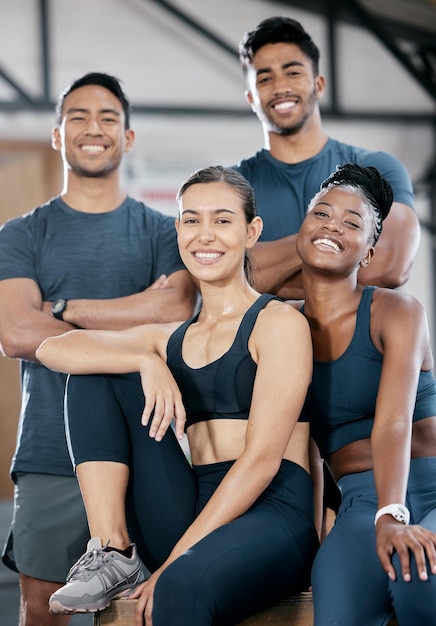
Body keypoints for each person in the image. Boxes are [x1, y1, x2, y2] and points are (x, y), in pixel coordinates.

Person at [35, 165, 319, 626]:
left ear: (252, 231)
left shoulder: (280, 324)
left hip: (272, 508)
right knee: (95, 370)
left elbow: (262, 461)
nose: (205, 235)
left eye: (222, 220)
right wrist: (144, 362)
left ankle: (164, 566)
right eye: (191, 220)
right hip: (191, 501)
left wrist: (173, 563)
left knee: (181, 586)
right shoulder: (168, 337)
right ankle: (113, 550)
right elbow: (54, 348)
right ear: (178, 230)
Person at [0, 72, 197, 626]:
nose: (94, 128)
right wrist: (135, 341)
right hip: (49, 450)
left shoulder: (164, 231)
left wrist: (60, 311)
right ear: (57, 134)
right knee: (43, 611)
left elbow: (176, 309)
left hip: (149, 443)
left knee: (145, 612)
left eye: (109, 118)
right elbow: (16, 332)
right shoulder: (21, 234)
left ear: (128, 138)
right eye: (78, 117)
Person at [294, 163, 436, 625]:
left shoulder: (397, 312)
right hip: (359, 502)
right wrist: (310, 543)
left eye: (352, 223)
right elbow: (305, 450)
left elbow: (393, 421)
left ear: (369, 252)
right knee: (336, 611)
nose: (333, 225)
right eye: (322, 213)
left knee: (419, 580)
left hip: (430, 489)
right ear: (304, 226)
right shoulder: (281, 327)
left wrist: (393, 516)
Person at [235, 16, 420, 300]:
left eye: (293, 72)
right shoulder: (232, 187)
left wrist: (263, 276)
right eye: (265, 78)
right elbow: (224, 277)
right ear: (251, 98)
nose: (280, 86)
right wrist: (329, 242)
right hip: (265, 345)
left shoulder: (377, 170)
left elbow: (388, 267)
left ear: (319, 85)